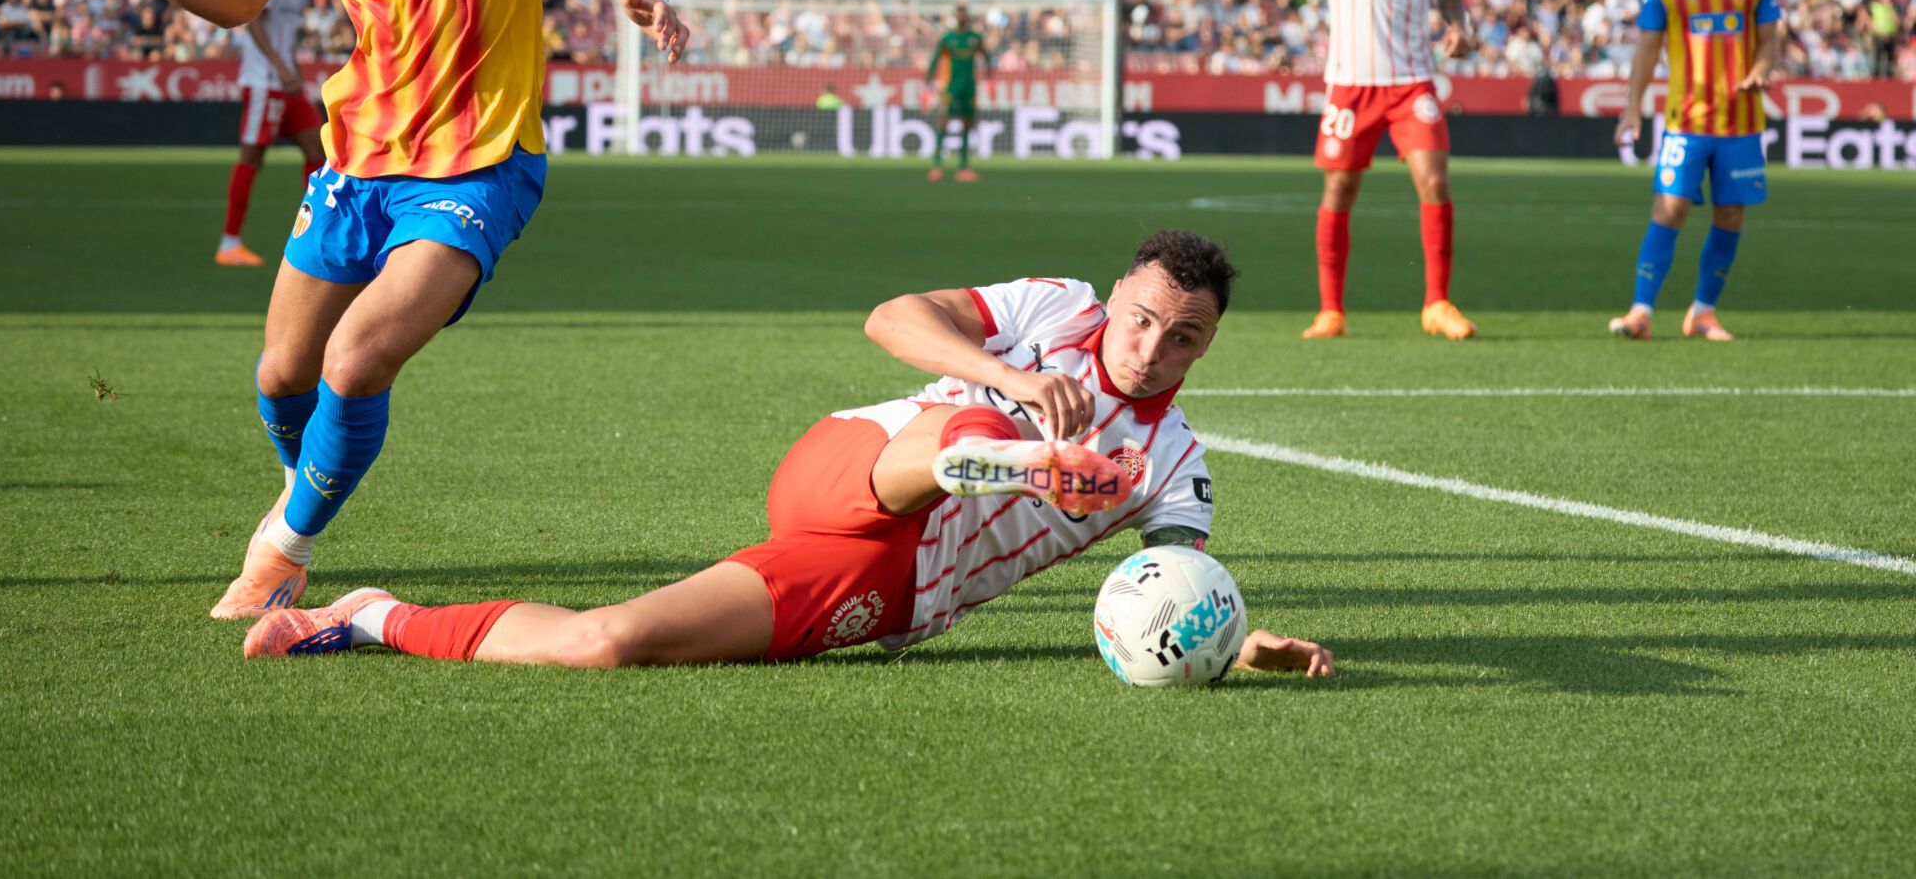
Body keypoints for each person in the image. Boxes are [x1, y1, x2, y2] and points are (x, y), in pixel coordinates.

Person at [15, 0, 689, 620]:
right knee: (283, 374)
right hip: (358, 157)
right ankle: (304, 503)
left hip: (479, 161)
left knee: (357, 355)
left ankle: (277, 553)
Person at [240, 230, 1334, 681]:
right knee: (989, 436)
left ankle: (369, 615)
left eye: (1181, 337)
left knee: (604, 643)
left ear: (1204, 346)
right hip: (858, 460)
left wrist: (1231, 641)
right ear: (1119, 296)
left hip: (887, 578)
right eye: (1142, 318)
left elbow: (1171, 580)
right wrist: (1005, 385)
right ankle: (1001, 459)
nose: (1149, 347)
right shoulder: (1054, 308)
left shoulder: (1172, 462)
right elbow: (891, 317)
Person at [1248, 0, 1477, 341]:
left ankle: (1437, 303)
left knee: (1435, 181)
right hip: (1351, 84)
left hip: (1412, 81)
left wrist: (1459, 25)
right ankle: (1331, 311)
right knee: (1339, 189)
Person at [1610, 0, 1778, 342]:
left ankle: (1703, 312)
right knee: (1670, 208)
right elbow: (1647, 48)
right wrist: (1633, 108)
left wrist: (1761, 70)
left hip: (1741, 122)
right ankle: (1641, 311)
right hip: (1686, 121)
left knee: (1731, 216)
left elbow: (1769, 42)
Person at [216, 0, 325, 267]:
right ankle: (229, 243)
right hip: (264, 81)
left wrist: (293, 70)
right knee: (252, 156)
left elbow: (285, 36)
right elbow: (252, 21)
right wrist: (280, 66)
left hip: (287, 81)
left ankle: (315, 235)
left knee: (318, 149)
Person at [926, 4, 989, 183]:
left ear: (967, 17)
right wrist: (929, 80)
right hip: (951, 87)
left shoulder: (974, 38)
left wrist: (990, 77)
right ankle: (937, 164)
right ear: (956, 17)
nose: (962, 17)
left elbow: (986, 56)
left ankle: (963, 166)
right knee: (943, 122)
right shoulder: (948, 39)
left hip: (969, 87)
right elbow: (935, 60)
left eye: (964, 14)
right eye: (959, 14)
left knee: (967, 124)